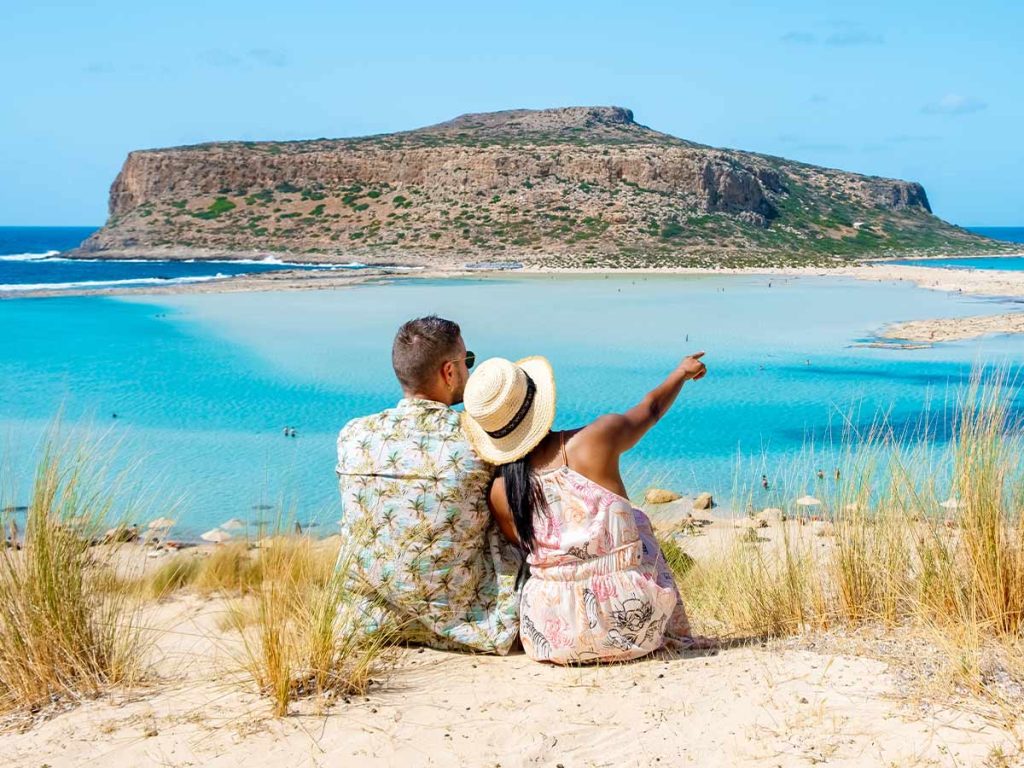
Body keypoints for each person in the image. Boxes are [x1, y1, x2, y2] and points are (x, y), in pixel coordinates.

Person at [462, 352, 714, 664]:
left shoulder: (501, 491)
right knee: (637, 521)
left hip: (550, 636)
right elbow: (650, 409)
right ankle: (674, 633)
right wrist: (681, 373)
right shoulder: (595, 439)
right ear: (539, 399)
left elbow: (522, 545)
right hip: (633, 625)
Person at [335, 316, 522, 654]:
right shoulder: (477, 438)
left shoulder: (353, 435)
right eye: (468, 361)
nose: (469, 371)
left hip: (368, 621)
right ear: (449, 372)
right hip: (467, 622)